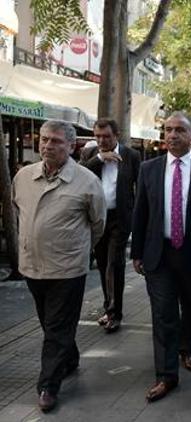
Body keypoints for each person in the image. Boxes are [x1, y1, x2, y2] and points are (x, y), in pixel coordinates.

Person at [12, 120, 106, 412]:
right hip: (32, 266)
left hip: (68, 269)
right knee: (51, 323)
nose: (47, 146)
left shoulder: (87, 181)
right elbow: (19, 211)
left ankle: (48, 386)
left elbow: (98, 224)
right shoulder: (23, 177)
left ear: (72, 145)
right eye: (44, 140)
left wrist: (78, 250)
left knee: (55, 329)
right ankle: (70, 357)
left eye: (55, 141)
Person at [130, 112, 191, 402]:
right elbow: (141, 212)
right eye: (167, 130)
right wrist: (137, 252)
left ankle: (189, 349)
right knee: (164, 314)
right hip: (160, 253)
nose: (172, 135)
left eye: (179, 130)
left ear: (190, 135)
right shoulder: (149, 169)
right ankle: (166, 375)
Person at [80, 118, 141, 333]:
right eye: (97, 136)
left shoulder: (131, 155)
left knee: (115, 264)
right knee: (103, 263)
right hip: (97, 218)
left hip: (120, 218)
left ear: (116, 135)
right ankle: (108, 308)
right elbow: (80, 176)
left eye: (106, 136)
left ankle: (115, 314)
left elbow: (139, 186)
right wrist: (99, 158)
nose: (102, 140)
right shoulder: (90, 154)